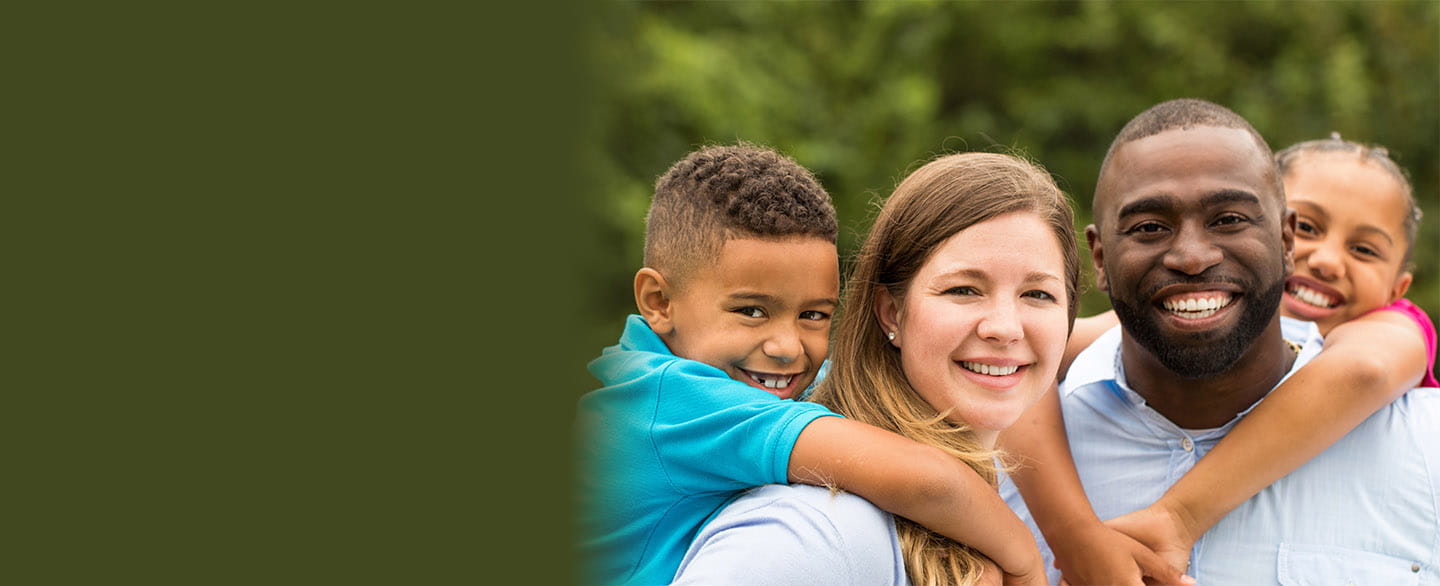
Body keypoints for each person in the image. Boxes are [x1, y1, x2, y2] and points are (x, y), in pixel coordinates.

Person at [999, 98, 1440, 584]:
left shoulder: (1419, 434)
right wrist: (1073, 535)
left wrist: (1177, 518)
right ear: (1100, 258)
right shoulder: (986, 446)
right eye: (1149, 227)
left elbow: (1368, 369)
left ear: (1283, 239)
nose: (1192, 257)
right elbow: (1018, 355)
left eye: (1229, 219)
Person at [576, 144, 1046, 585]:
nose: (786, 347)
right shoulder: (668, 400)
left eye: (813, 315)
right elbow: (929, 482)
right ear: (659, 302)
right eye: (751, 311)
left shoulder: (751, 384)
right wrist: (1023, 561)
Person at [672, 152, 1131, 585]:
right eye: (964, 290)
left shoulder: (1001, 502)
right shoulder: (816, 531)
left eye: (1038, 295)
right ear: (891, 313)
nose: (1005, 328)